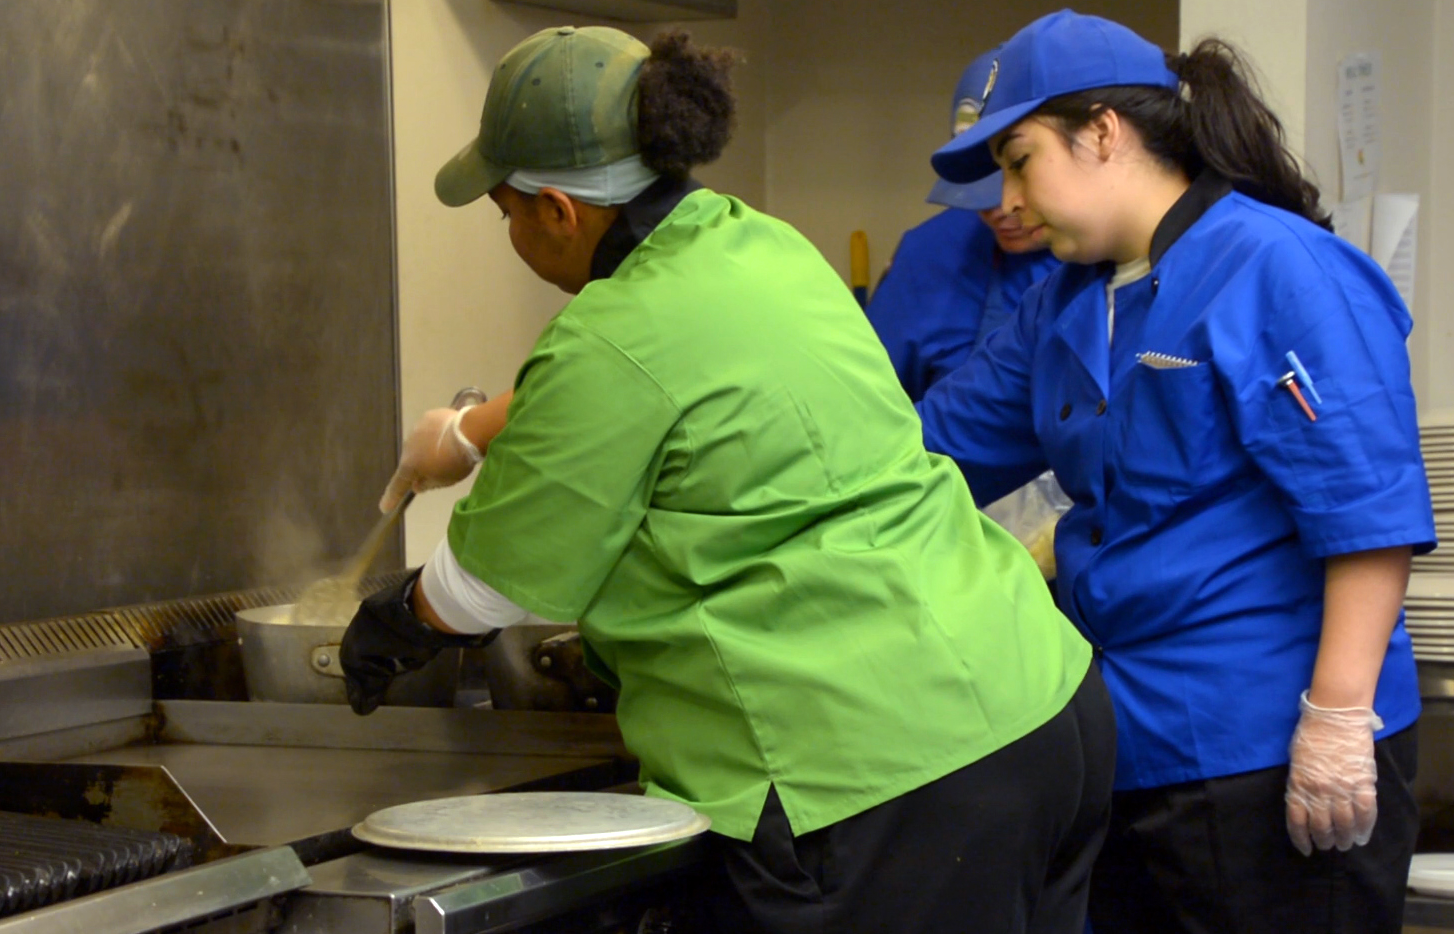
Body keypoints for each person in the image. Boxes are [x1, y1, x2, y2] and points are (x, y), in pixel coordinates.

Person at [341, 25, 1115, 933]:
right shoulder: (756, 244)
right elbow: (666, 370)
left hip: (873, 768)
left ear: (555, 208)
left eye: (503, 209)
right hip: (1038, 709)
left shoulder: (609, 336)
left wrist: (392, 620)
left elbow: (483, 589)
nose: (510, 229)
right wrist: (474, 431)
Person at [920, 10, 1435, 933]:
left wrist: (1334, 723)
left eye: (1019, 157)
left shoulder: (1277, 266)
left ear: (1103, 133)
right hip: (1124, 743)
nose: (1008, 195)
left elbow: (1366, 512)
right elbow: (928, 448)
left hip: (1273, 748)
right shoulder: (1064, 304)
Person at [864, 47, 1060, 403]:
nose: (1000, 208)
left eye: (1017, 171)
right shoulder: (927, 256)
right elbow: (871, 402)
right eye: (979, 193)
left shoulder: (1113, 257)